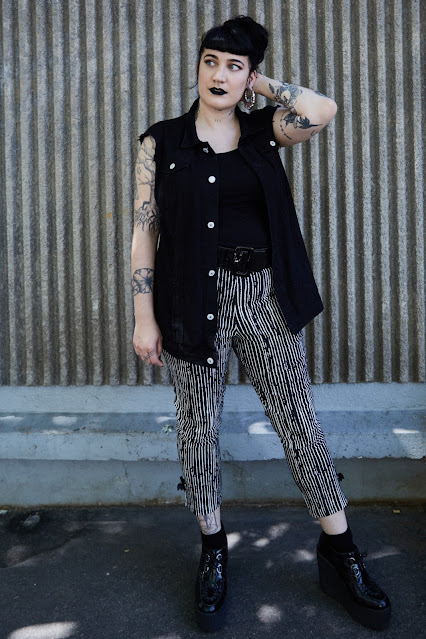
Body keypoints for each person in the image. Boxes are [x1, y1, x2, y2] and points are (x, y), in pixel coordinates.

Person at [132, 15, 390, 633]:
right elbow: (145, 231)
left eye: (234, 65)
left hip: (263, 296)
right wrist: (144, 316)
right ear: (197, 65)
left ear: (248, 75)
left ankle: (341, 551)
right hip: (190, 298)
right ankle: (213, 551)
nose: (218, 74)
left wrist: (264, 87)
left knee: (298, 422)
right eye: (211, 60)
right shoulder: (161, 143)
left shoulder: (265, 130)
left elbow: (323, 109)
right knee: (198, 429)